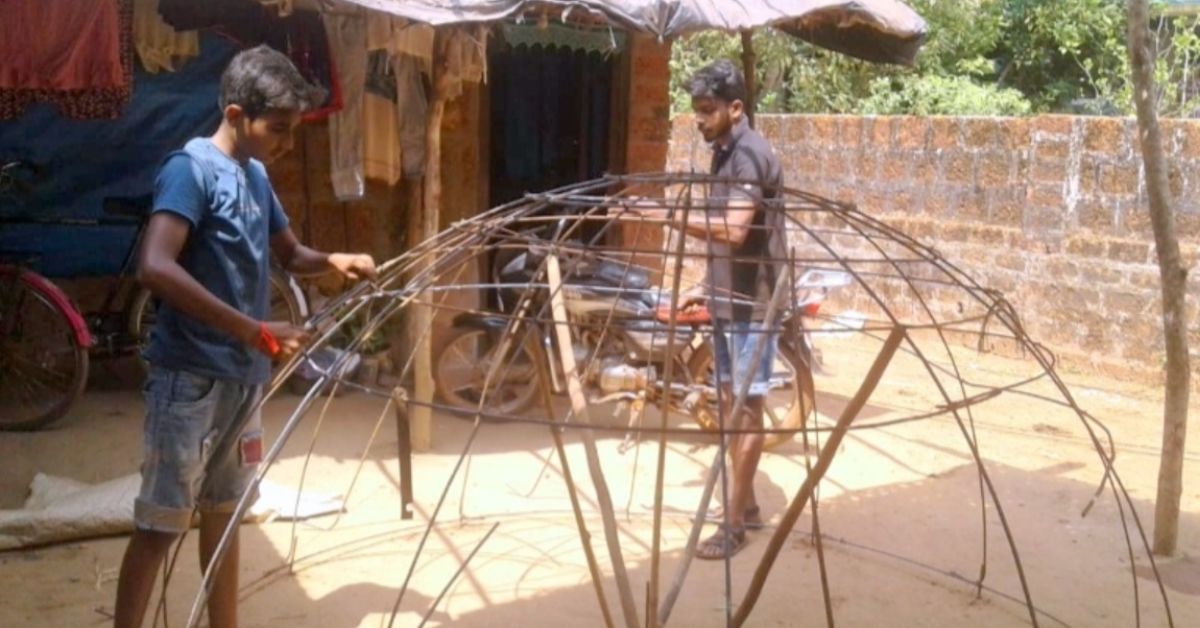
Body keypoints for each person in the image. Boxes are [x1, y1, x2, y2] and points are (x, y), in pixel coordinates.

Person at [113, 45, 377, 628]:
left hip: (243, 379)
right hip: (188, 380)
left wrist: (334, 257)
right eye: (278, 129)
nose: (287, 143)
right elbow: (156, 266)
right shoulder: (191, 170)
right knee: (161, 522)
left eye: (293, 130)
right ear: (235, 115)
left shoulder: (255, 177)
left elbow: (289, 253)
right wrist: (253, 329)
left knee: (226, 515)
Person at [626, 59, 784, 559]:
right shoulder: (723, 152)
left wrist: (667, 215)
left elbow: (736, 231)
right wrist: (705, 284)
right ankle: (750, 506)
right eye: (695, 111)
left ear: (736, 108)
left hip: (752, 306)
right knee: (728, 406)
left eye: (708, 110)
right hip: (725, 298)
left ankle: (732, 525)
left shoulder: (750, 156)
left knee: (746, 411)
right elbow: (728, 238)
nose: (699, 119)